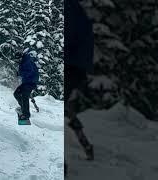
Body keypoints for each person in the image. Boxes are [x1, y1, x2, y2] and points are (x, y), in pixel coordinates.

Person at [65, 0, 94, 160]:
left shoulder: (70, 8)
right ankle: (86, 145)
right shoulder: (74, 8)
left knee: (64, 107)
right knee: (67, 108)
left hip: (72, 66)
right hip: (76, 67)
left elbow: (69, 37)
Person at [13, 49, 39, 125]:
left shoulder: (27, 61)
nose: (17, 61)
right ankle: (23, 108)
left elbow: (29, 71)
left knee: (24, 95)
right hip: (26, 82)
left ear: (20, 57)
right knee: (16, 94)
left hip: (31, 82)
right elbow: (23, 72)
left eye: (18, 59)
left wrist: (20, 73)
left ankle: (26, 115)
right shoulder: (22, 61)